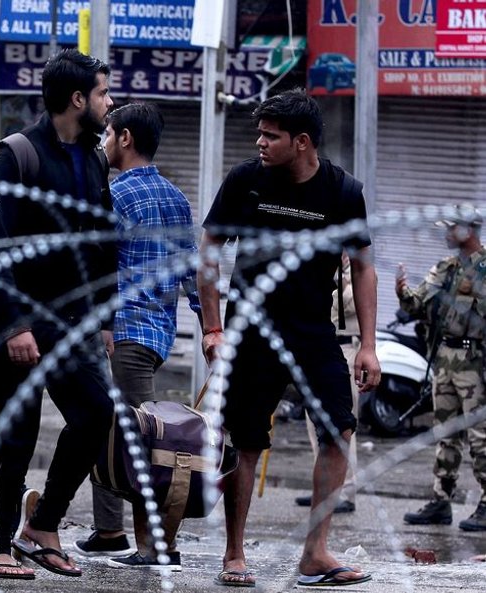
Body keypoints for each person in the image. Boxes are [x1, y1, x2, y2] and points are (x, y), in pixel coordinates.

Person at [198, 89, 380, 588]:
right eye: (260, 132)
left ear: (301, 142)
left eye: (270, 135)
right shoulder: (245, 181)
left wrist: (368, 343)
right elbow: (209, 252)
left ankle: (315, 553)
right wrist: (212, 327)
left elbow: (364, 267)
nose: (260, 141)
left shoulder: (342, 192)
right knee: (246, 440)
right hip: (252, 331)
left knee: (340, 430)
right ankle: (234, 552)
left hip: (313, 332)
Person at [0, 48, 116, 580]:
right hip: (20, 322)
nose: (110, 102)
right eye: (103, 93)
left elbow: (104, 242)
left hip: (74, 322)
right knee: (16, 434)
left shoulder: (94, 158)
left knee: (98, 415)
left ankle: (43, 524)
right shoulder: (17, 154)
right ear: (77, 99)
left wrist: (104, 317)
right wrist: (14, 323)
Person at [74, 102, 199, 571]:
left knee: (138, 438)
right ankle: (108, 529)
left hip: (121, 332)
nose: (104, 143)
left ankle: (154, 544)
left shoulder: (115, 194)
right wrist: (208, 325)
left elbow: (100, 266)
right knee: (111, 428)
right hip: (156, 335)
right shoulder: (176, 198)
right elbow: (193, 272)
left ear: (124, 138)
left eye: (107, 135)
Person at [399, 205, 486, 531]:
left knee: (480, 438)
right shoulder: (445, 268)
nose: (446, 233)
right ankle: (441, 501)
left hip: (476, 362)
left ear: (468, 230)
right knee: (446, 434)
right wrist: (402, 292)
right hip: (445, 360)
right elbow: (415, 304)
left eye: (451, 228)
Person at [295, 252, 359, 514]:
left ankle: (347, 490)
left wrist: (340, 278)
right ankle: (324, 489)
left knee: (343, 423)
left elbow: (351, 303)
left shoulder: (358, 271)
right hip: (319, 349)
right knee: (316, 425)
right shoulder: (321, 269)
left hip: (347, 349)